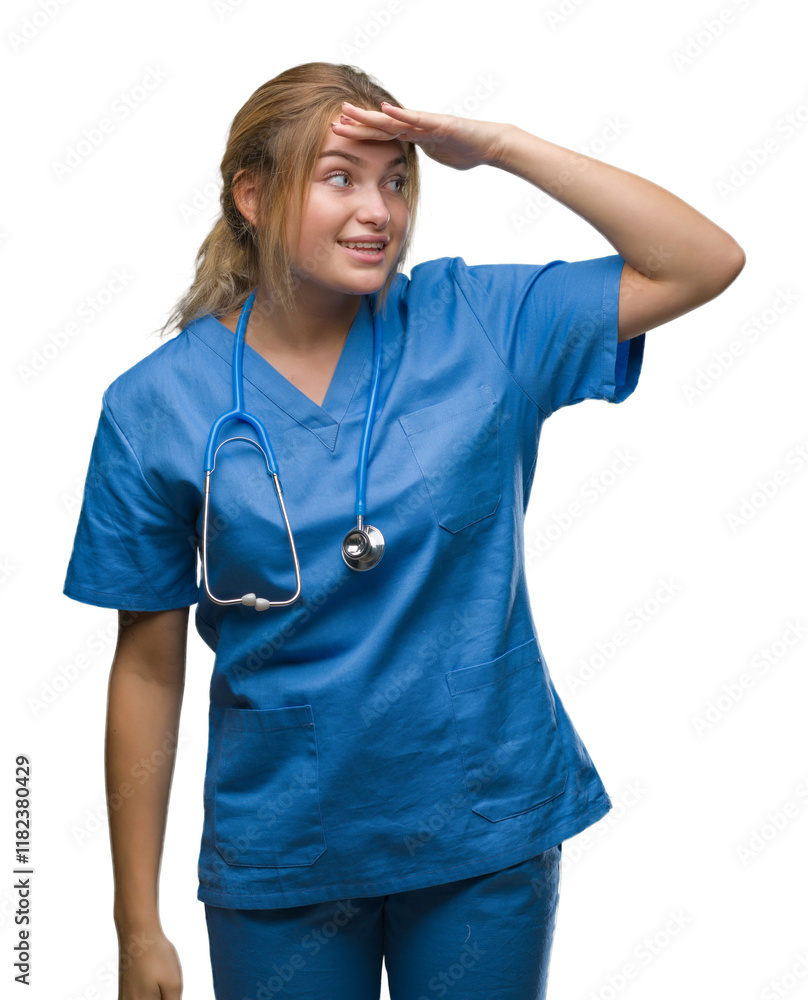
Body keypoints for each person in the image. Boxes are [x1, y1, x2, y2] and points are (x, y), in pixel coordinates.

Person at [63, 61, 745, 1000]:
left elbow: (702, 261)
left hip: (482, 829)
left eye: (396, 180)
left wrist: (499, 146)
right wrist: (136, 925)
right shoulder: (156, 406)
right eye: (340, 178)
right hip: (284, 850)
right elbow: (146, 666)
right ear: (252, 197)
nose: (378, 210)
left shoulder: (481, 323)